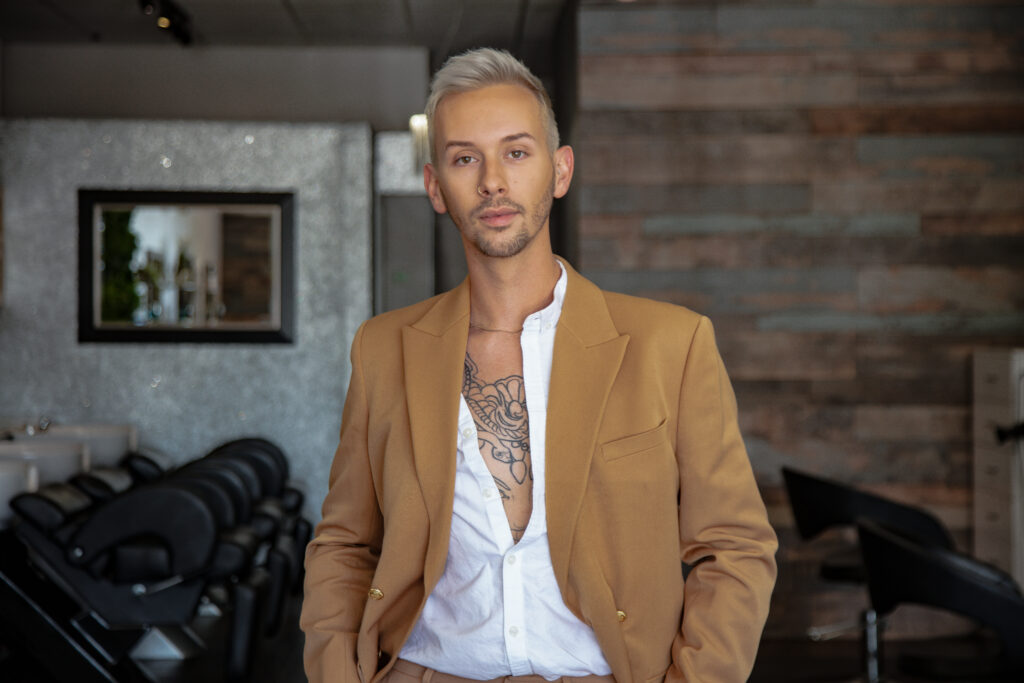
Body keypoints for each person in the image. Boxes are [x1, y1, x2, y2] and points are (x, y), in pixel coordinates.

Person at [301, 48, 777, 683]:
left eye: (516, 152)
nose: (492, 180)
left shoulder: (672, 344)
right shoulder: (384, 350)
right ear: (435, 186)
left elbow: (736, 548)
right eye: (465, 157)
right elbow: (343, 545)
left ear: (559, 171)